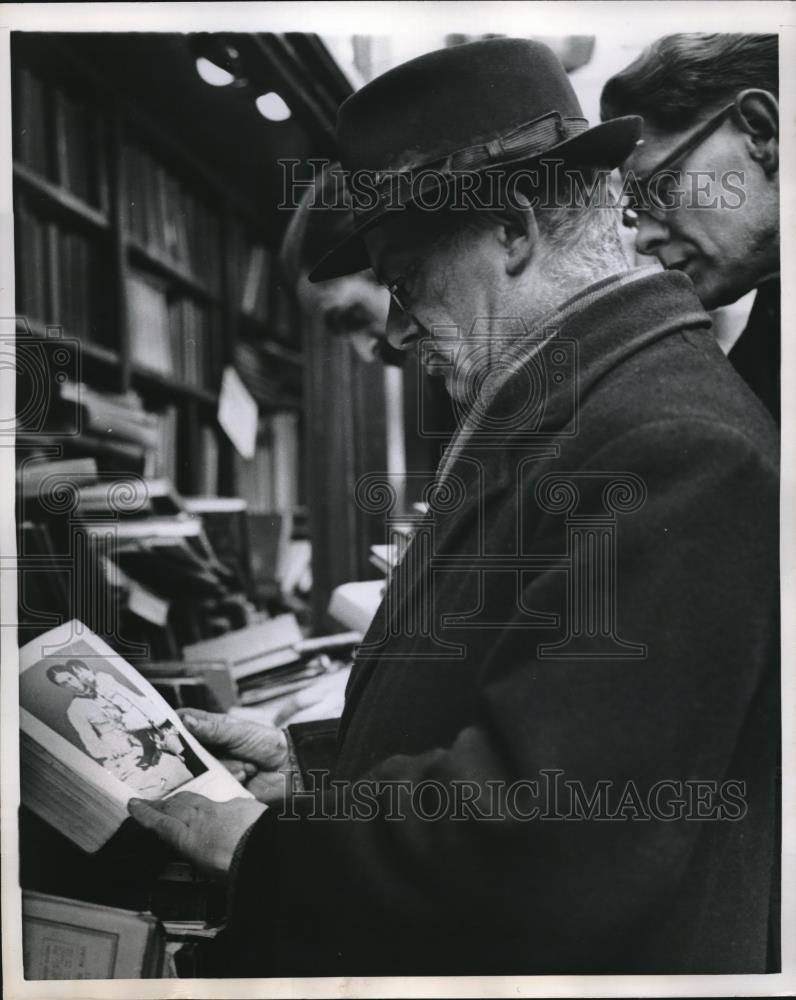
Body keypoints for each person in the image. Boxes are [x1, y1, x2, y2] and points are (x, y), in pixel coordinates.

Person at [128, 38, 779, 975]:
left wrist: (253, 844)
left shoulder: (677, 447)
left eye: (405, 281)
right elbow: (512, 696)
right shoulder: (586, 402)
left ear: (512, 228)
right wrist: (308, 776)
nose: (396, 329)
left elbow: (545, 841)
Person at [600, 33, 780, 422]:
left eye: (661, 188)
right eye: (636, 210)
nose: (644, 239)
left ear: (762, 132)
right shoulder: (769, 337)